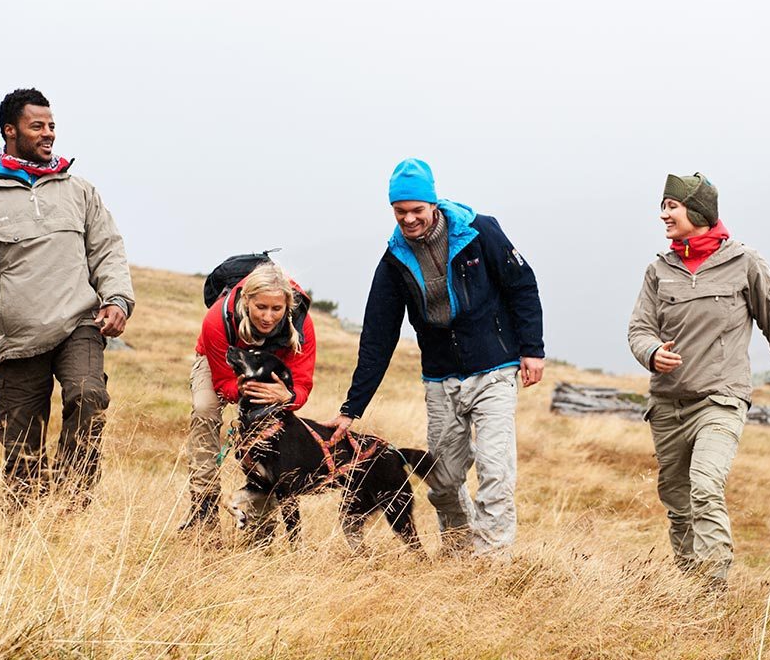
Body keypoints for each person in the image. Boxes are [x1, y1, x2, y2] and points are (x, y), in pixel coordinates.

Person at [324, 158, 545, 557]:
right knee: (442, 480)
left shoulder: (480, 231)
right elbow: (378, 337)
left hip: (494, 369)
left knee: (496, 472)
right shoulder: (394, 260)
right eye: (400, 211)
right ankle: (459, 549)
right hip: (441, 378)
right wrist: (351, 408)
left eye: (417, 210)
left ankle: (492, 560)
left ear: (434, 205)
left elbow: (522, 285)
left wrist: (532, 349)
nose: (409, 219)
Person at [627, 173, 770, 591]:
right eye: (663, 205)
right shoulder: (658, 271)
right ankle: (689, 588)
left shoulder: (743, 262)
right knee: (678, 504)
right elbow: (639, 329)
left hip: (721, 400)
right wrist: (651, 353)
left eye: (671, 206)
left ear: (697, 211)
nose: (663, 214)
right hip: (667, 406)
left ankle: (713, 591)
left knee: (705, 487)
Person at [0, 87, 135, 512]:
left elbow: (107, 248)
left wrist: (118, 299)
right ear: (10, 131)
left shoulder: (79, 190)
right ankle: (27, 528)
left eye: (52, 125)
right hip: (17, 337)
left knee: (88, 396)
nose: (48, 133)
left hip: (79, 325)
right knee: (20, 450)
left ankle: (73, 502)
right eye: (37, 126)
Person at [179, 261, 317, 539]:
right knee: (205, 408)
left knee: (271, 438)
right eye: (260, 307)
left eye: (276, 309)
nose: (268, 317)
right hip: (222, 364)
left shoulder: (301, 325)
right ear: (246, 300)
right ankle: (203, 507)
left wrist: (286, 398)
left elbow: (301, 384)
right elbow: (223, 383)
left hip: (269, 364)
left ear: (287, 307)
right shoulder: (217, 319)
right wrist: (241, 391)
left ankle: (260, 528)